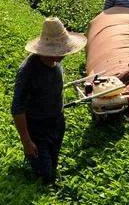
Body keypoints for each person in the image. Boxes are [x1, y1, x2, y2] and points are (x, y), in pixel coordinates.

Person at [11, 17, 87, 184]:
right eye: (58, 51)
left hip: (57, 122)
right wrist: (27, 142)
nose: (62, 55)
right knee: (44, 175)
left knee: (52, 164)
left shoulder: (57, 62)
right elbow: (17, 109)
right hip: (36, 126)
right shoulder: (27, 71)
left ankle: (45, 168)